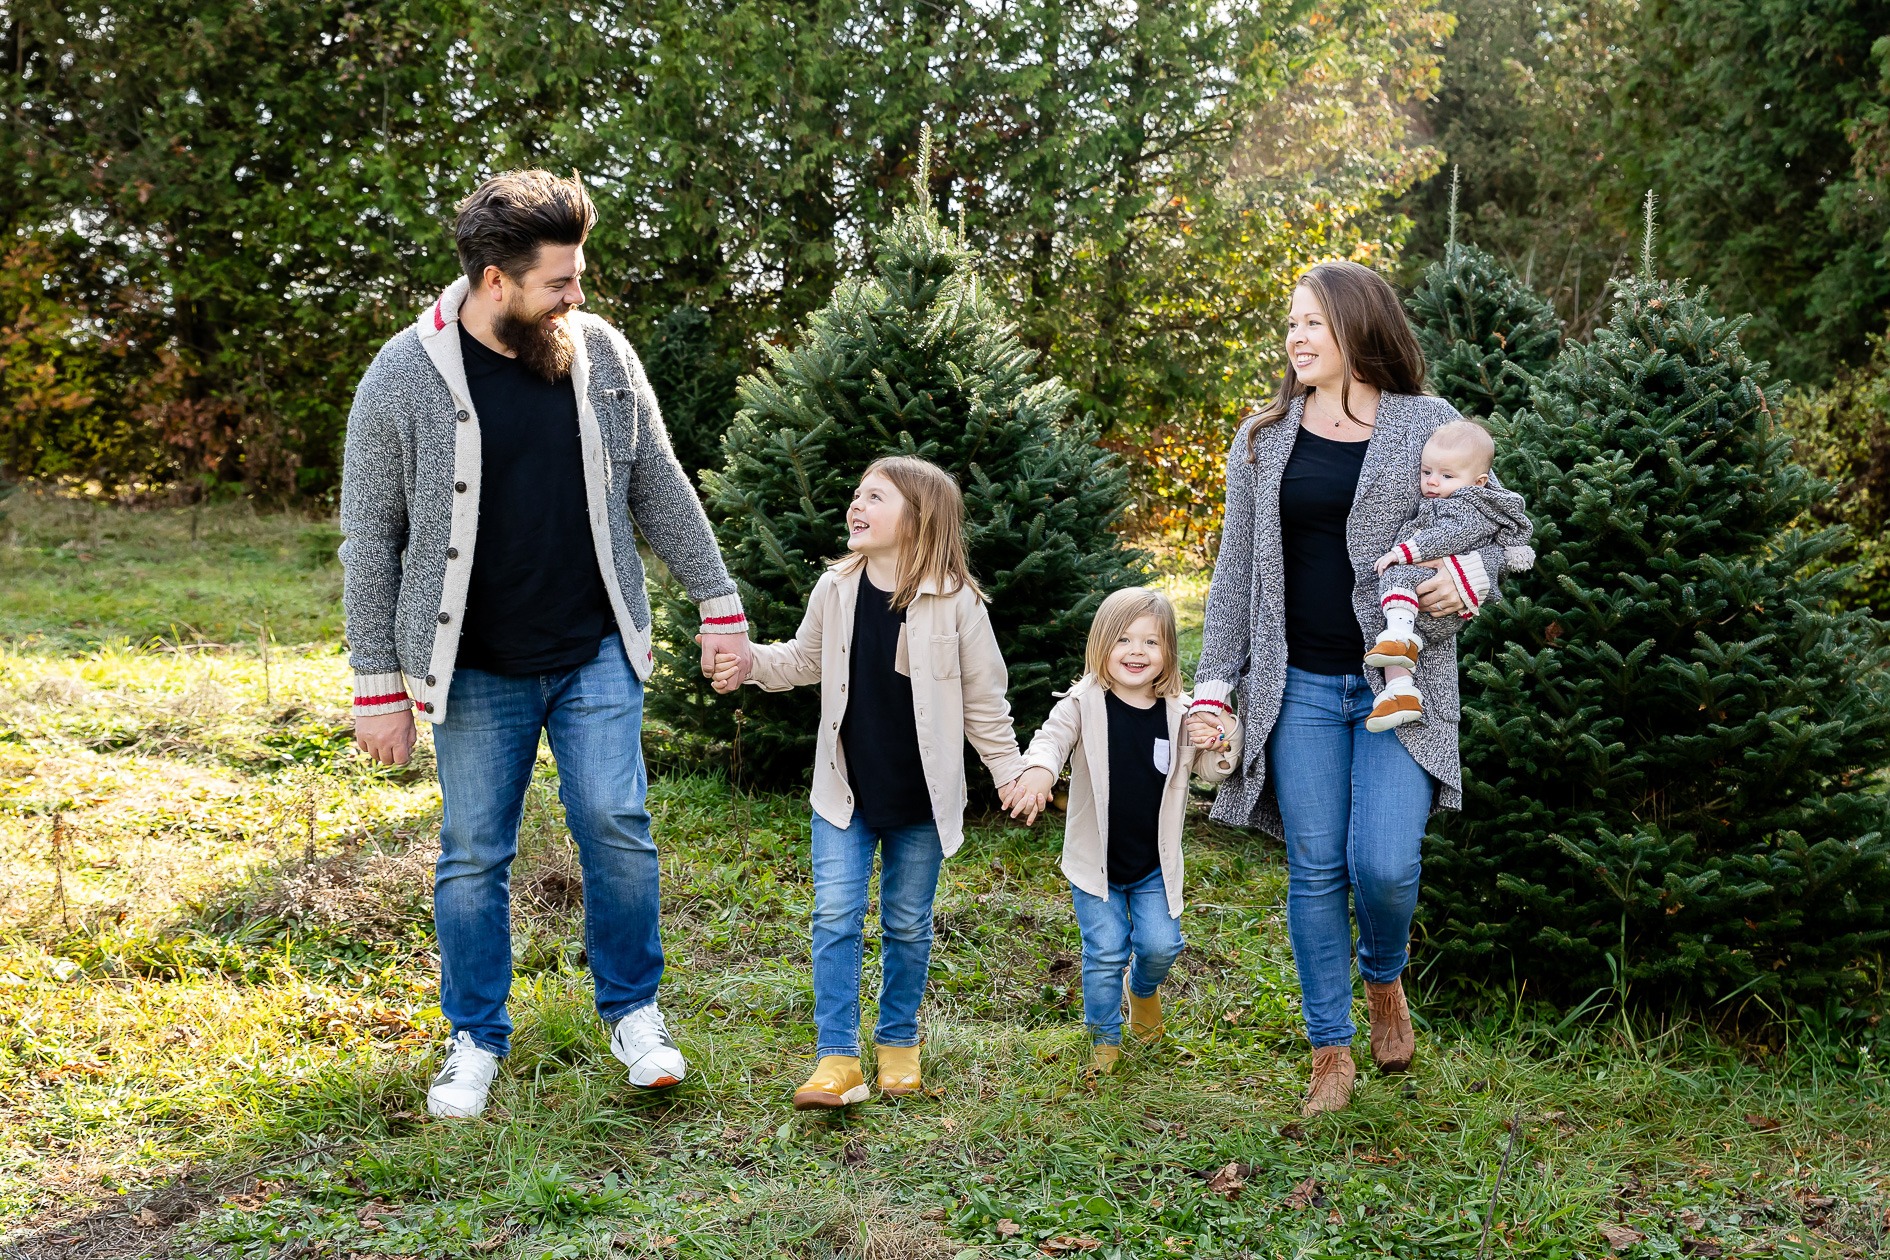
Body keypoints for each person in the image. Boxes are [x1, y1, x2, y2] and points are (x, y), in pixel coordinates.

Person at [339, 169, 754, 1119]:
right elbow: (374, 536)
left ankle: (634, 1015)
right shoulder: (402, 376)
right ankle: (476, 1040)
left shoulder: (600, 352)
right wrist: (378, 683)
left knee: (616, 824)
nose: (578, 295)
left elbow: (658, 480)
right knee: (475, 852)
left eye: (578, 276)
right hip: (474, 665)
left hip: (594, 646)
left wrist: (718, 602)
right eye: (559, 281)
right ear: (494, 281)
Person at [1184, 260, 1529, 1117]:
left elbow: (1494, 520)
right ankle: (1328, 1050)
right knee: (1314, 870)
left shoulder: (1426, 423)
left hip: (1395, 684)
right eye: (1290, 323)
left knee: (1384, 865)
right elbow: (1234, 571)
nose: (1295, 337)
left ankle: (1385, 977)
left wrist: (1473, 582)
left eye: (1311, 322)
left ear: (1356, 325)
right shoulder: (1265, 435)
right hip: (1294, 683)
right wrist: (1214, 685)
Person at [710, 456, 1027, 1109]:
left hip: (921, 803)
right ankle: (837, 1059)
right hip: (844, 792)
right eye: (858, 494)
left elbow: (984, 702)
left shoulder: (958, 603)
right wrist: (747, 663)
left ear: (918, 519)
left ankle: (898, 1047)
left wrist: (1010, 772)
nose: (857, 505)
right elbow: (800, 661)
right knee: (834, 917)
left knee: (909, 924)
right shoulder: (836, 588)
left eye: (876, 497)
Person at [1006, 587, 1239, 1074]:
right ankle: (1104, 1042)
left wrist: (1220, 736)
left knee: (1161, 944)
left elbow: (1214, 770)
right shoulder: (1082, 703)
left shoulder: (1182, 713)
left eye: (1151, 643)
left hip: (1153, 864)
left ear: (1168, 652)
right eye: (1124, 640)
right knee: (1105, 950)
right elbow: (1051, 741)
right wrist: (1038, 773)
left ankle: (1143, 989)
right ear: (1102, 646)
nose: (1137, 651)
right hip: (1098, 864)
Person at [1363, 419, 1535, 731]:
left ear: (1479, 481)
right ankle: (1401, 693)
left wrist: (1402, 553)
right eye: (1426, 472)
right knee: (1401, 648)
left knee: (1396, 576)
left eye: (1446, 475)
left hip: (1444, 594)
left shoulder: (1466, 505)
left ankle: (1400, 638)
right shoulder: (1447, 497)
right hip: (1436, 607)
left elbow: (1450, 536)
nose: (1432, 482)